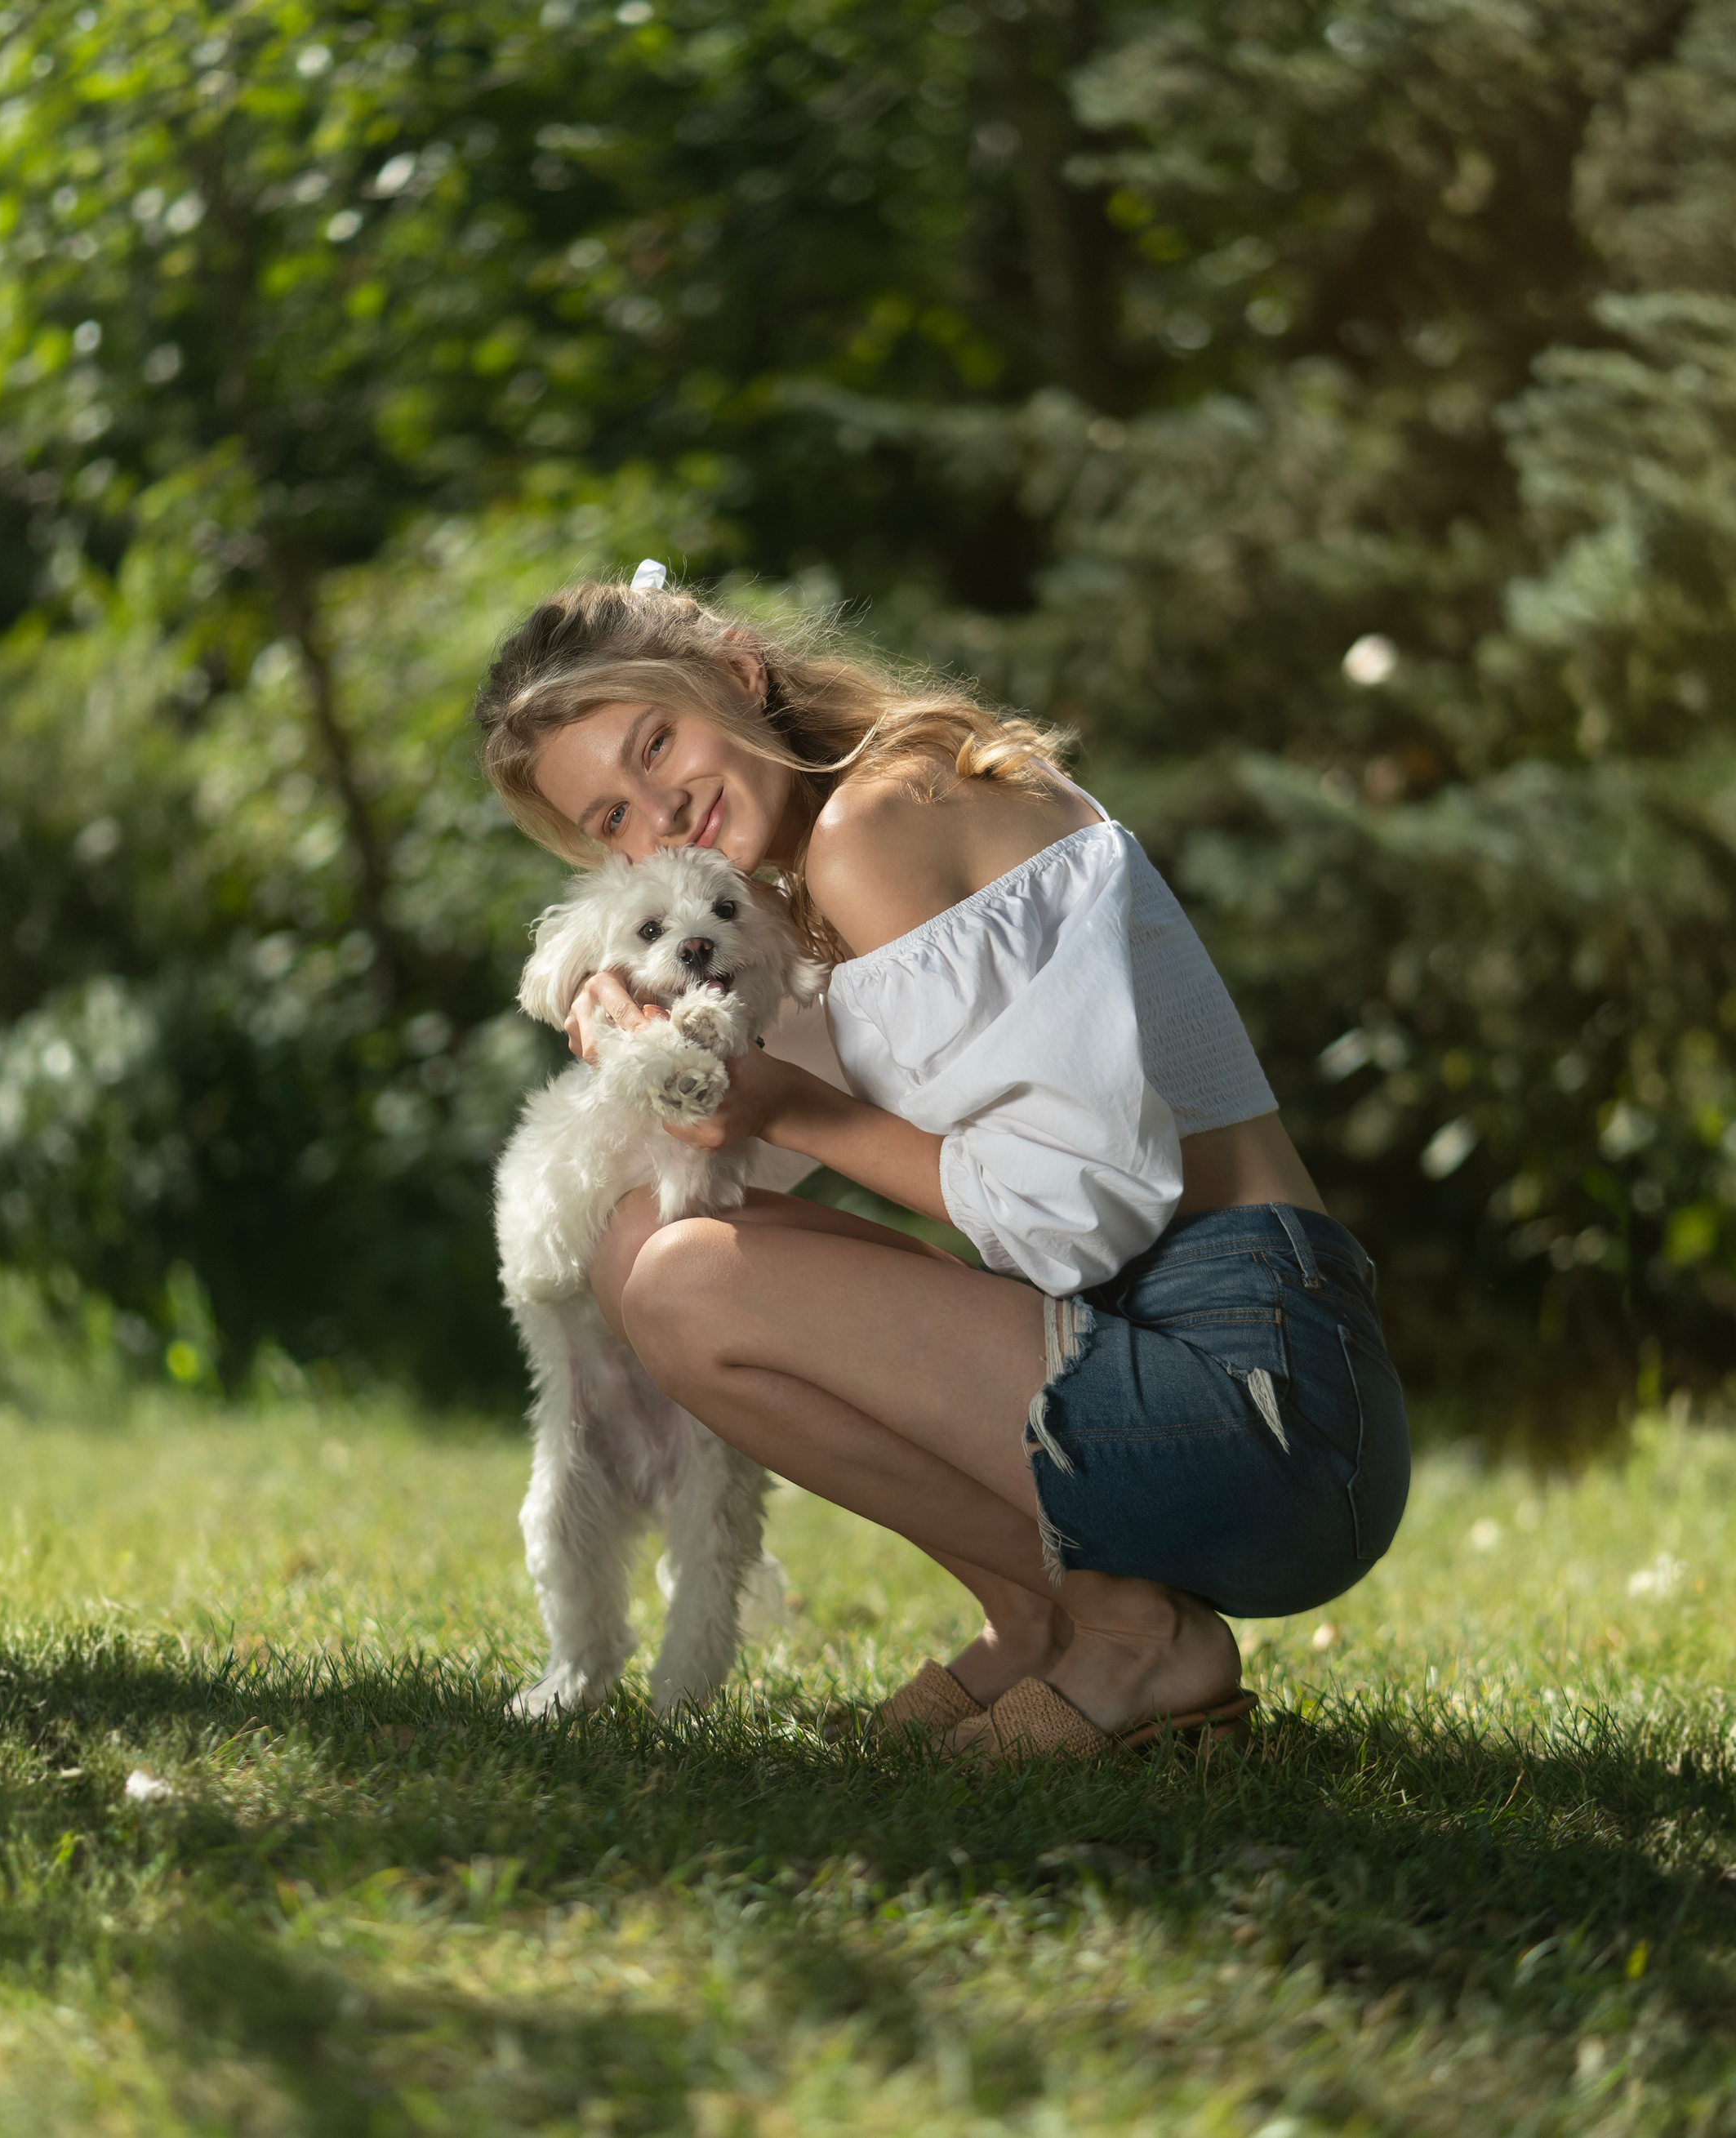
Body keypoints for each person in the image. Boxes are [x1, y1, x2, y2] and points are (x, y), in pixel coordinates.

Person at [470, 567, 1410, 1758]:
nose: (658, 813)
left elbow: (1081, 1215)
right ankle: (1039, 1612)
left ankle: (1133, 1631)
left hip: (1263, 1395)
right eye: (612, 818)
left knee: (683, 1280)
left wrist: (789, 1106)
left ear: (741, 673)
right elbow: (699, 1153)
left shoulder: (877, 827)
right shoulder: (828, 868)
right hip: (1207, 1379)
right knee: (641, 1245)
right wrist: (636, 1012)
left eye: (656, 743)